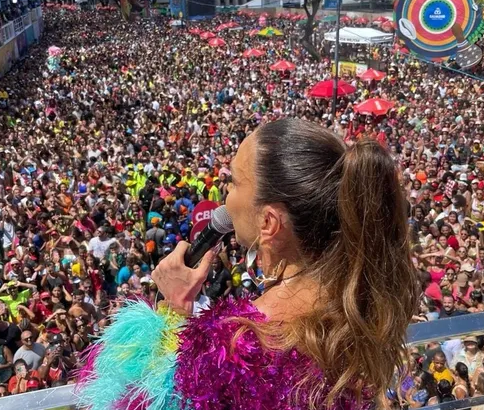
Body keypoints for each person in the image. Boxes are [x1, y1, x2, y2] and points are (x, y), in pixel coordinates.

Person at [78, 120, 418, 408]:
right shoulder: (360, 296)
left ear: (269, 222)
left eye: (236, 183)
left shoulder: (240, 340)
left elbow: (130, 399)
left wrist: (171, 312)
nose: (226, 193)